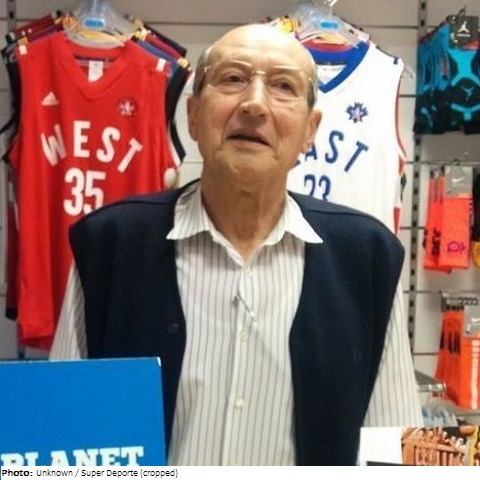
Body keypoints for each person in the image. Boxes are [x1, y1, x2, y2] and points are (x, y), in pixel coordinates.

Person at [50, 23, 423, 465]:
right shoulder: (110, 247)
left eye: (283, 86)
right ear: (192, 116)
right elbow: (62, 437)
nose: (254, 104)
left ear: (310, 130)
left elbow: (395, 450)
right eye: (232, 78)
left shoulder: (368, 260)